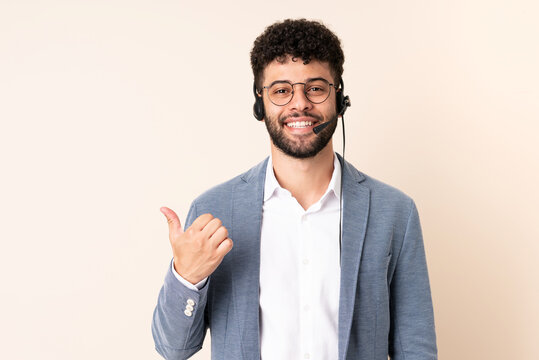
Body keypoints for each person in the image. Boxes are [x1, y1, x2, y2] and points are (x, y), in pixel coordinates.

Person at [152, 19, 437, 360]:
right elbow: (173, 349)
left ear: (339, 98)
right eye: (282, 90)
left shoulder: (394, 212)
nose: (299, 104)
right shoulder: (214, 210)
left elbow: (416, 349)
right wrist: (186, 277)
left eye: (315, 88)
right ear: (261, 104)